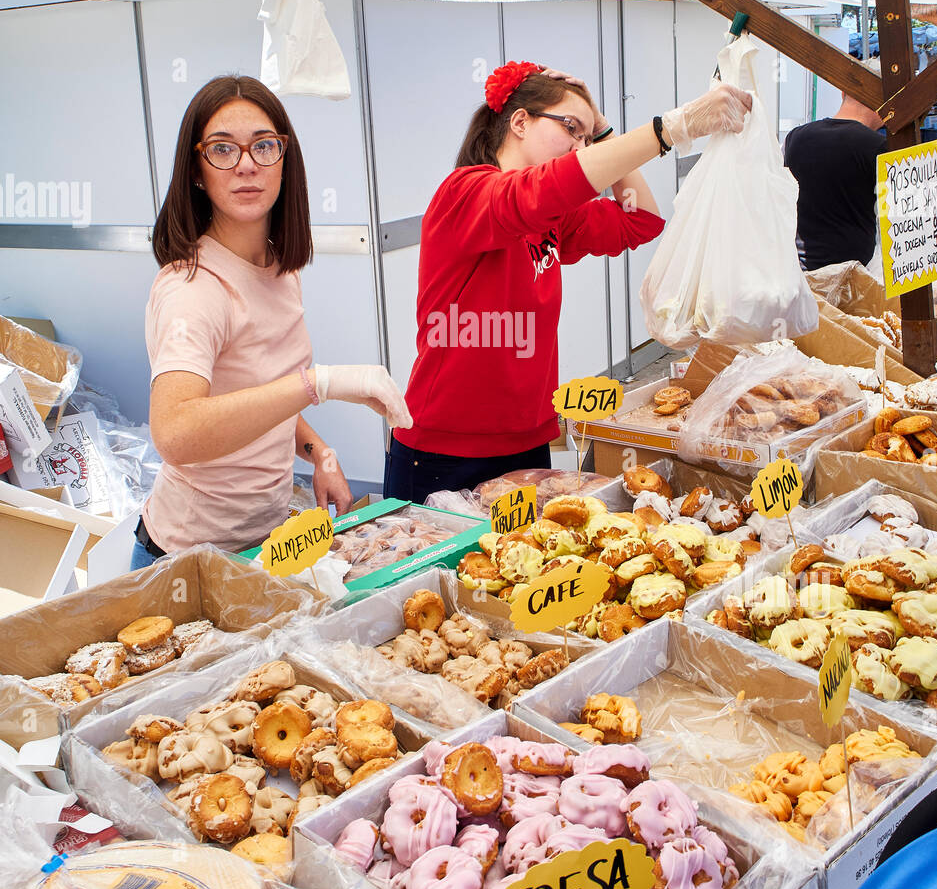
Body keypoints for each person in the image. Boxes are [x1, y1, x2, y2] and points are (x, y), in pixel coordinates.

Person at [383, 61, 752, 505]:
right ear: (520, 121)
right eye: (570, 128)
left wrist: (605, 130)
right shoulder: (466, 193)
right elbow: (544, 189)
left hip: (526, 439)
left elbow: (643, 221)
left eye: (585, 137)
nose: (580, 146)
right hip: (444, 447)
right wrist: (667, 130)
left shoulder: (554, 216)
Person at [132, 74, 410, 570]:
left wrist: (318, 450)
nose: (245, 165)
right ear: (197, 170)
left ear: (285, 159)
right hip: (187, 558)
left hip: (265, 540)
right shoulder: (192, 289)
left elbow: (254, 394)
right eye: (222, 149)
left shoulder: (280, 265)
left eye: (263, 146)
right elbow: (176, 434)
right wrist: (320, 383)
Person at [783, 63, 886, 271]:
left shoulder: (795, 137)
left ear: (842, 92)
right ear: (881, 100)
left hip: (798, 272)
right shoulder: (879, 147)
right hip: (854, 280)